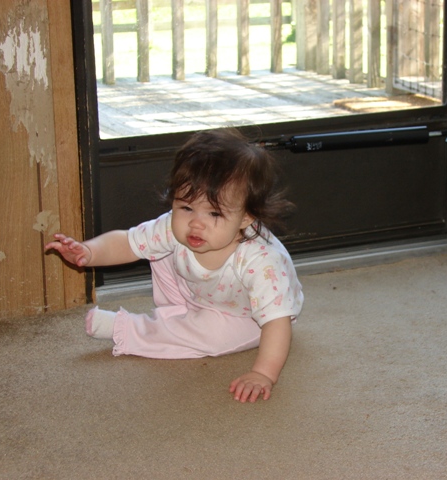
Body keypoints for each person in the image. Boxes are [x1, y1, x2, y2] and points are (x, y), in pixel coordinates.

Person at [46, 129, 303, 403]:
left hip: (246, 315)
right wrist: (89, 252)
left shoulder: (261, 261)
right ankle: (178, 312)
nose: (196, 223)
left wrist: (263, 373)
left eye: (214, 213)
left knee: (213, 336)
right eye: (186, 208)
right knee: (158, 248)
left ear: (246, 218)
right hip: (195, 291)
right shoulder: (175, 227)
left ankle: (131, 328)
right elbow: (127, 242)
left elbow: (276, 322)